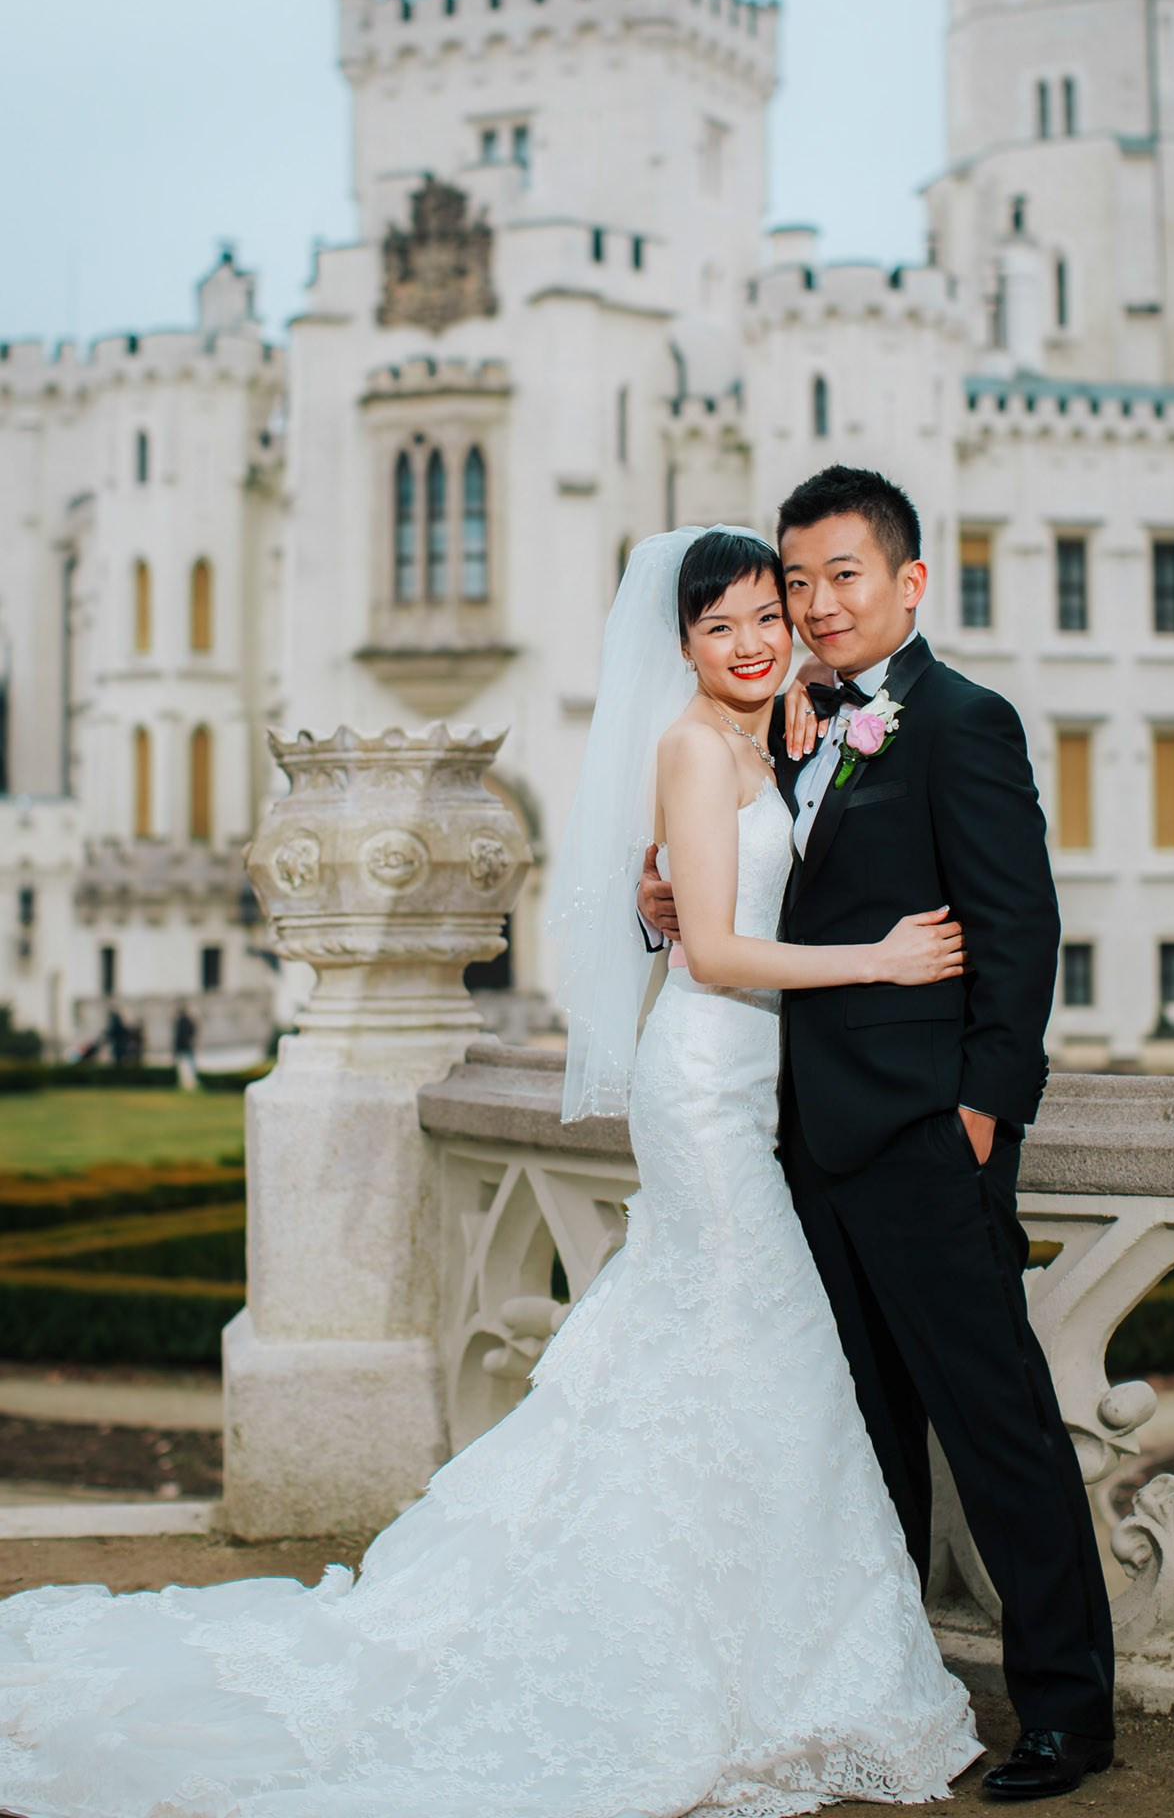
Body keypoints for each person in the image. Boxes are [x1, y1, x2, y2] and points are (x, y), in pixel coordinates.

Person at [0, 526, 982, 1818]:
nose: (752, 642)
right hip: (703, 1085)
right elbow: (718, 958)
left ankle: (751, 1652)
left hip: (759, 1090)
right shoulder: (692, 747)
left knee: (722, 1363)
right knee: (756, 1346)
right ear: (678, 644)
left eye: (765, 617)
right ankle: (727, 1668)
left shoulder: (782, 729)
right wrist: (881, 963)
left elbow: (708, 896)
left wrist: (684, 883)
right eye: (721, 626)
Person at [641, 470, 1116, 1804]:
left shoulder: (965, 721)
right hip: (793, 1146)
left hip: (921, 1140)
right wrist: (653, 901)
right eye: (795, 581)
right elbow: (731, 901)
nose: (812, 605)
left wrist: (980, 1113)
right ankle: (892, 1692)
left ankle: (1068, 1713)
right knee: (861, 1440)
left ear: (908, 583)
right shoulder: (781, 728)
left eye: (841, 575)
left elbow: (1020, 930)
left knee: (996, 1426)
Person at [172, 1003, 199, 1090]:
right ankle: (194, 1079)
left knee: (180, 1063)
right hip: (186, 1045)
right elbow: (193, 1030)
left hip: (182, 1045)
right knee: (191, 1063)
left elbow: (178, 1035)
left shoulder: (180, 1021)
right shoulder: (186, 1021)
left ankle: (178, 1080)